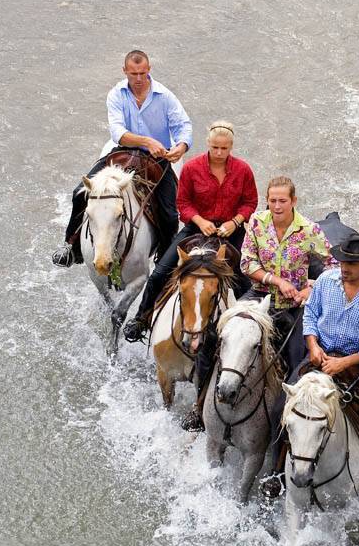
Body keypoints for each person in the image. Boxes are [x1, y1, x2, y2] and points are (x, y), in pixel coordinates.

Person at [53, 50, 192, 267]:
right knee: (79, 193)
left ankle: (164, 260)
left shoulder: (165, 96)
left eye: (142, 73)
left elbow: (183, 125)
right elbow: (118, 132)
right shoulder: (116, 94)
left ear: (149, 70)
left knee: (170, 213)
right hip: (122, 151)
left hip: (157, 158)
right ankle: (71, 246)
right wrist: (147, 141)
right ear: (124, 71)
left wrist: (182, 146)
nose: (138, 79)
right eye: (133, 73)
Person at [122, 121, 257, 343]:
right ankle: (141, 318)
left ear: (231, 147)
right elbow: (183, 203)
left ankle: (248, 330)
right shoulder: (192, 168)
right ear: (208, 144)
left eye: (224, 148)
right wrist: (200, 221)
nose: (219, 152)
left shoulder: (243, 170)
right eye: (215, 147)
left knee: (245, 280)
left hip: (230, 230)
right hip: (197, 228)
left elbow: (250, 201)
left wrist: (235, 221)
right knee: (160, 273)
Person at [301, 235, 359, 500]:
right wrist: (312, 345)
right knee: (280, 406)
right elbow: (309, 315)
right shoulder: (325, 281)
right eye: (343, 261)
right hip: (320, 355)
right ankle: (276, 471)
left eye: (352, 263)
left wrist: (344, 362)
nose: (344, 267)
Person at [240, 176, 335, 375]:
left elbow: (334, 265)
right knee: (224, 330)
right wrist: (278, 281)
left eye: (282, 201)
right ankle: (203, 392)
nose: (277, 206)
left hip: (294, 305)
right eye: (272, 201)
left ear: (293, 201)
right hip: (259, 295)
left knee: (296, 359)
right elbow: (247, 264)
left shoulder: (309, 230)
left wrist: (311, 289)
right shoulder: (257, 222)